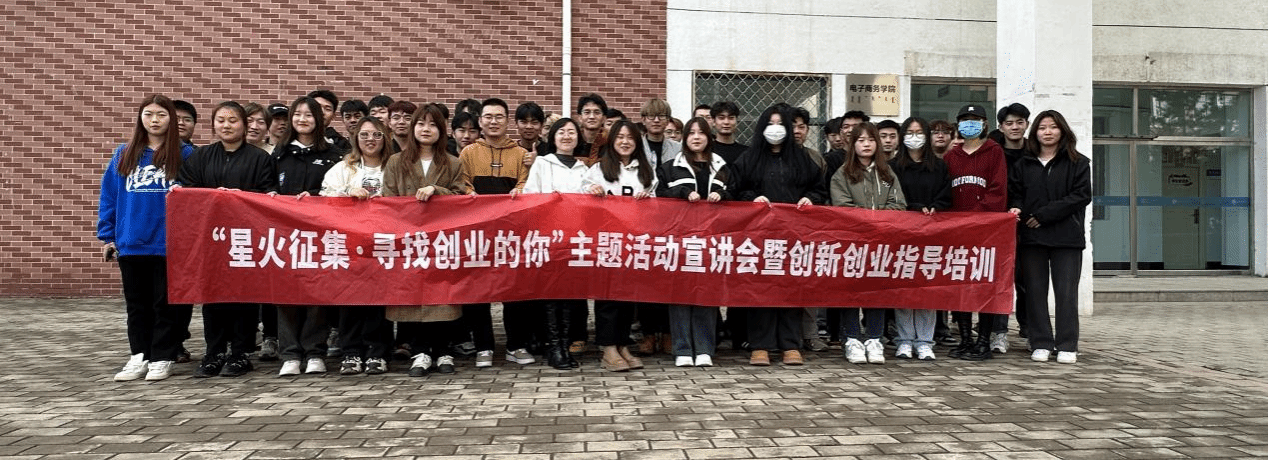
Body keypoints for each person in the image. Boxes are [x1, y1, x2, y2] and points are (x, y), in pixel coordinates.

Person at [178, 101, 278, 378]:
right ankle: (214, 352)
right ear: (213, 124)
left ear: (244, 125)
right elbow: (187, 192)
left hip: (246, 238)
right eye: (221, 120)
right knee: (213, 296)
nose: (226, 125)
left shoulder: (260, 158)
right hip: (211, 239)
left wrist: (239, 198)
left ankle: (240, 353)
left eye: (233, 120)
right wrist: (213, 197)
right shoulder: (200, 157)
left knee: (244, 296)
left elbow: (269, 194)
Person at [98, 95, 194, 382]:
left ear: (171, 119)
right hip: (131, 241)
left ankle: (162, 357)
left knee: (165, 304)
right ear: (140, 118)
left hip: (169, 243)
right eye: (149, 114)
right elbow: (110, 195)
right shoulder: (124, 153)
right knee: (137, 305)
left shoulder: (186, 154)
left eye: (161, 114)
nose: (154, 120)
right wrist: (108, 236)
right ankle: (139, 356)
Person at [731, 104, 826, 366]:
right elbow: (736, 189)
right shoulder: (749, 158)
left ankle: (790, 345)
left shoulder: (802, 159)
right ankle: (760, 345)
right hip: (757, 237)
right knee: (759, 290)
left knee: (790, 289)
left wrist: (810, 198)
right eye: (770, 124)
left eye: (780, 124)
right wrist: (752, 199)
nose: (775, 129)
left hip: (793, 236)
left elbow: (819, 189)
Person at [382, 103, 464, 377]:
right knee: (412, 297)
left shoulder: (453, 162)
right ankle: (420, 352)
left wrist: (437, 190)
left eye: (432, 124)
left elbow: (461, 197)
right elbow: (388, 200)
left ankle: (443, 351)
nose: (426, 129)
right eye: (421, 123)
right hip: (408, 240)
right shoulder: (396, 162)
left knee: (442, 298)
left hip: (441, 241)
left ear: (441, 130)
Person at [1009, 110, 1091, 365]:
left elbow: (1081, 196)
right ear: (1035, 132)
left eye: (1053, 127)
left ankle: (1067, 344)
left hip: (1066, 237)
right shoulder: (1024, 163)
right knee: (1034, 292)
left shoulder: (1078, 162)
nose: (1047, 132)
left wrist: (1044, 215)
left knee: (1066, 294)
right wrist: (1017, 209)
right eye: (1042, 127)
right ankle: (1041, 341)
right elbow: (1016, 193)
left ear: (1062, 130)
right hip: (1032, 236)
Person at [273, 96, 347, 375]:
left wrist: (314, 196)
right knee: (286, 294)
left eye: (308, 115)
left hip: (321, 235)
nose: (302, 120)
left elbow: (337, 191)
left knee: (318, 293)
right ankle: (290, 353)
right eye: (297, 114)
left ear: (319, 119)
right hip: (285, 235)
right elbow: (267, 186)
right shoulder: (279, 153)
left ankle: (315, 351)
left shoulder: (334, 154)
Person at [456, 98, 532, 368]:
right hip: (478, 232)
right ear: (480, 121)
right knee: (479, 292)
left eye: (499, 116)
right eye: (488, 116)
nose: (493, 121)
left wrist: (519, 191)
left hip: (512, 232)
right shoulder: (469, 153)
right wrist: (470, 194)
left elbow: (525, 183)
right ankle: (484, 346)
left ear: (507, 121)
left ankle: (516, 345)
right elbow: (461, 183)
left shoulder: (520, 154)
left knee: (515, 291)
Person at [579, 119, 659, 371]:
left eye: (630, 138)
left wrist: (648, 199)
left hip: (633, 243)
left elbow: (657, 206)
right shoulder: (599, 169)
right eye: (620, 137)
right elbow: (581, 195)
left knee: (627, 297)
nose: (625, 142)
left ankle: (622, 343)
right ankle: (608, 348)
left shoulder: (646, 171)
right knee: (607, 297)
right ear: (612, 141)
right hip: (606, 242)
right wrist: (591, 190)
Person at [319, 116, 394, 375]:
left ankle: (377, 351)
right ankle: (351, 351)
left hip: (384, 244)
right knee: (350, 299)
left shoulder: (394, 166)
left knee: (378, 301)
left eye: (376, 135)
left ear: (385, 138)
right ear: (355, 138)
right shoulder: (343, 168)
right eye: (364, 135)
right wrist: (347, 196)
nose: (370, 140)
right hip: (350, 245)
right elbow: (324, 198)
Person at [655, 117, 729, 367]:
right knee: (680, 295)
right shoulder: (670, 167)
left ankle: (705, 348)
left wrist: (722, 194)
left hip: (711, 240)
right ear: (684, 138)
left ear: (709, 137)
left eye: (701, 133)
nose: (696, 137)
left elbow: (737, 194)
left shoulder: (721, 166)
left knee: (706, 295)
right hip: (680, 240)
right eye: (691, 133)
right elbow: (659, 196)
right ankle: (683, 349)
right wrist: (682, 193)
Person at [523, 117, 595, 370]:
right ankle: (554, 347)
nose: (567, 136)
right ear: (552, 137)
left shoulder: (584, 169)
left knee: (570, 294)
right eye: (561, 132)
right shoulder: (543, 164)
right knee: (552, 294)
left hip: (575, 239)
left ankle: (565, 344)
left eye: (571, 132)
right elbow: (530, 197)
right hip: (549, 238)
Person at [831, 122, 906, 364]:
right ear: (852, 144)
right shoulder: (842, 174)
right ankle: (852, 339)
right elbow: (842, 207)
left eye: (871, 140)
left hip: (881, 244)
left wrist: (879, 220)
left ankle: (874, 339)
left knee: (877, 292)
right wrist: (871, 219)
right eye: (861, 140)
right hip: (852, 244)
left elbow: (898, 204)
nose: (866, 144)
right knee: (851, 293)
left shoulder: (886, 174)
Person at [944, 104, 1008, 361]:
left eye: (975, 119)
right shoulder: (952, 156)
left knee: (984, 285)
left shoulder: (994, 152)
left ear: (984, 124)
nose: (969, 124)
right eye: (965, 120)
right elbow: (943, 190)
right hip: (956, 231)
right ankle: (965, 339)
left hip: (985, 230)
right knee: (959, 285)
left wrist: (977, 217)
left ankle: (983, 341)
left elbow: (998, 189)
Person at [888, 117, 951, 361]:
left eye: (919, 132)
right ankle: (904, 340)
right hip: (902, 232)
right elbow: (892, 196)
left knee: (927, 287)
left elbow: (947, 194)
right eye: (909, 132)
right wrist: (912, 207)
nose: (914, 137)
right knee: (904, 287)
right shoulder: (893, 166)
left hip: (932, 232)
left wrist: (936, 206)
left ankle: (925, 340)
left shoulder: (940, 166)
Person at [997, 102, 1032, 349]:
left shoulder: (1035, 152)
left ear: (1027, 125)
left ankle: (1029, 328)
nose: (1015, 127)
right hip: (998, 225)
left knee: (1027, 279)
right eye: (1009, 123)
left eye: (1020, 122)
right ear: (1001, 127)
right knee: (1000, 279)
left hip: (1029, 222)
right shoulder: (993, 152)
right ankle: (998, 330)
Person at [515, 101, 548, 166]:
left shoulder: (550, 151)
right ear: (516, 124)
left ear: (542, 125)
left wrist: (537, 163)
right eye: (524, 122)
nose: (529, 127)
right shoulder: (510, 150)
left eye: (534, 122)